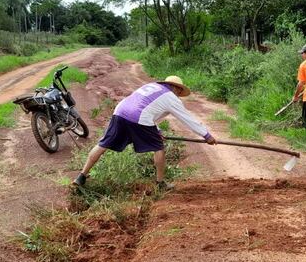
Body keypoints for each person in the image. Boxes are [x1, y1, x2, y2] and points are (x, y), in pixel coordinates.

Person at [73, 76, 216, 190]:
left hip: (120, 112)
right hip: (139, 117)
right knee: (158, 148)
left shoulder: (151, 86)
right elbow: (187, 118)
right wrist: (206, 135)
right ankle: (160, 183)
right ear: (176, 88)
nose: (179, 95)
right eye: (179, 92)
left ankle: (81, 176)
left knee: (103, 144)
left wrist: (157, 130)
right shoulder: (170, 97)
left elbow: (148, 109)